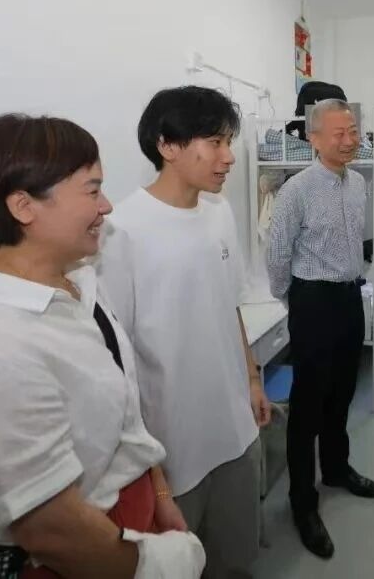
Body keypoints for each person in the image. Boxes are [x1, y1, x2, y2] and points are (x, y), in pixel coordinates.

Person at [0, 114, 204, 579]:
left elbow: (125, 408)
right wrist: (166, 563)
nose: (106, 206)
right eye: (92, 190)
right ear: (24, 206)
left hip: (125, 521)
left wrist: (159, 492)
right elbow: (53, 533)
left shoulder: (76, 283)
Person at [97, 86, 269, 579]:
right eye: (215, 142)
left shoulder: (218, 213)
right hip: (171, 445)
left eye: (228, 142)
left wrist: (251, 379)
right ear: (167, 145)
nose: (228, 157)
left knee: (236, 559)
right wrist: (150, 472)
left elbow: (228, 305)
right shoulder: (121, 230)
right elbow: (116, 356)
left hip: (235, 428)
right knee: (181, 565)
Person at [266, 98, 374, 560]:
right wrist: (292, 297)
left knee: (342, 392)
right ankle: (303, 501)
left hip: (350, 297)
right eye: (340, 133)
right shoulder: (296, 189)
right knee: (308, 405)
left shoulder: (358, 183)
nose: (351, 140)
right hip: (312, 300)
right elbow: (278, 252)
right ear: (313, 138)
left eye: (354, 132)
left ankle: (336, 468)